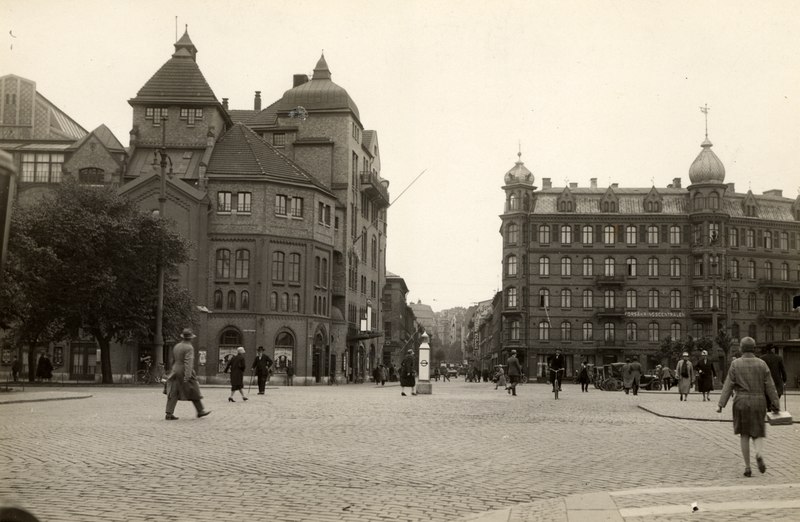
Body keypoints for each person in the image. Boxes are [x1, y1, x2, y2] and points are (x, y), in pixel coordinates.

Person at [717, 337, 780, 477]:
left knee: (744, 434)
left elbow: (728, 385)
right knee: (757, 431)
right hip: (759, 400)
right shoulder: (762, 364)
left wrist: (721, 404)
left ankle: (747, 467)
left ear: (741, 348)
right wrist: (776, 403)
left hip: (741, 401)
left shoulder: (735, 364)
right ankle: (758, 453)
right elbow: (770, 386)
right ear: (754, 348)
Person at [164, 328, 210, 420]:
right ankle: (200, 411)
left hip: (175, 369)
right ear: (191, 338)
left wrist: (172, 370)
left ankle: (169, 413)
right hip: (184, 371)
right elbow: (188, 362)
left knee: (173, 391)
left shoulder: (177, 346)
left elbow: (172, 359)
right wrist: (188, 376)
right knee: (194, 389)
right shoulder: (189, 347)